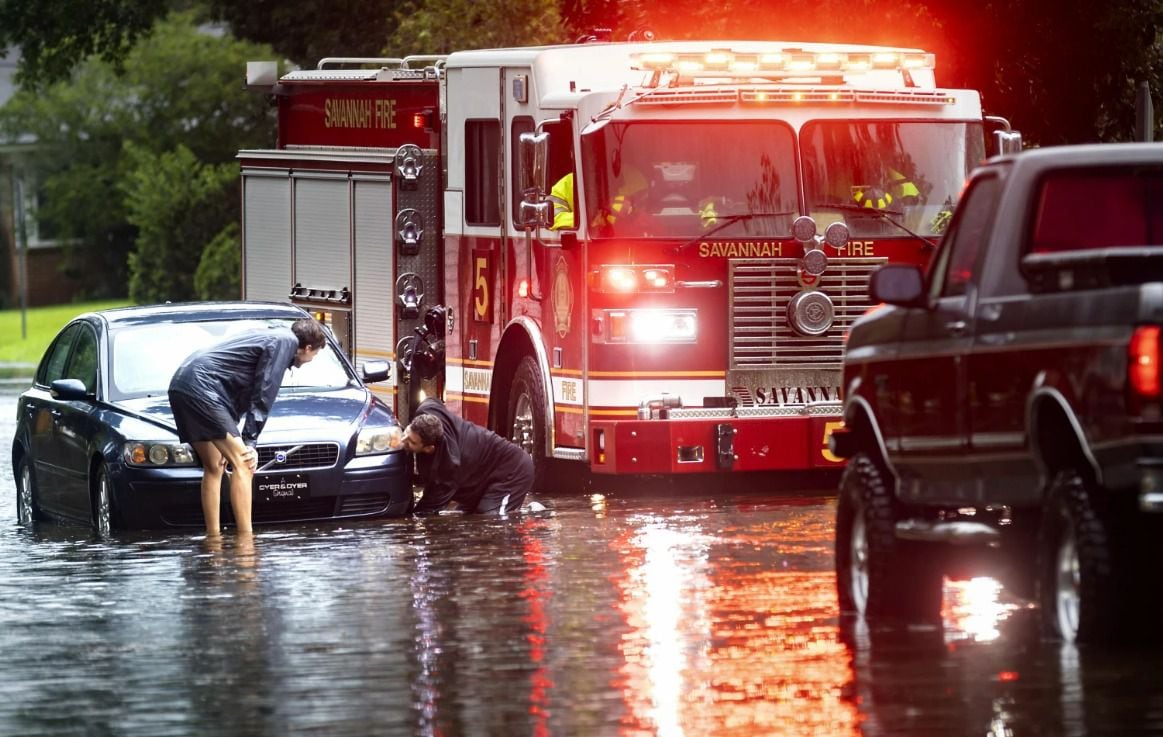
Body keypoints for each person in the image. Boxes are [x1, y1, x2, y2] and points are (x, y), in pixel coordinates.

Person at [168, 318, 327, 537]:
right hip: (202, 388)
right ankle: (246, 541)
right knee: (244, 463)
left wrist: (234, 430)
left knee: (215, 466)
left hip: (182, 384)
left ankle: (213, 538)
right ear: (308, 347)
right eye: (315, 355)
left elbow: (237, 387)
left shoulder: (272, 336)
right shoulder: (285, 342)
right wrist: (250, 441)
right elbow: (265, 390)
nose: (311, 359)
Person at [401, 398, 534, 516]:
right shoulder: (427, 409)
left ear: (429, 448)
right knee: (465, 517)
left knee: (491, 520)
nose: (403, 440)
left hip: (514, 470)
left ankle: (534, 519)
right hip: (480, 476)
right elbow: (433, 400)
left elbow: (427, 508)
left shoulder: (447, 469)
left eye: (411, 442)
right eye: (407, 431)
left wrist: (410, 526)